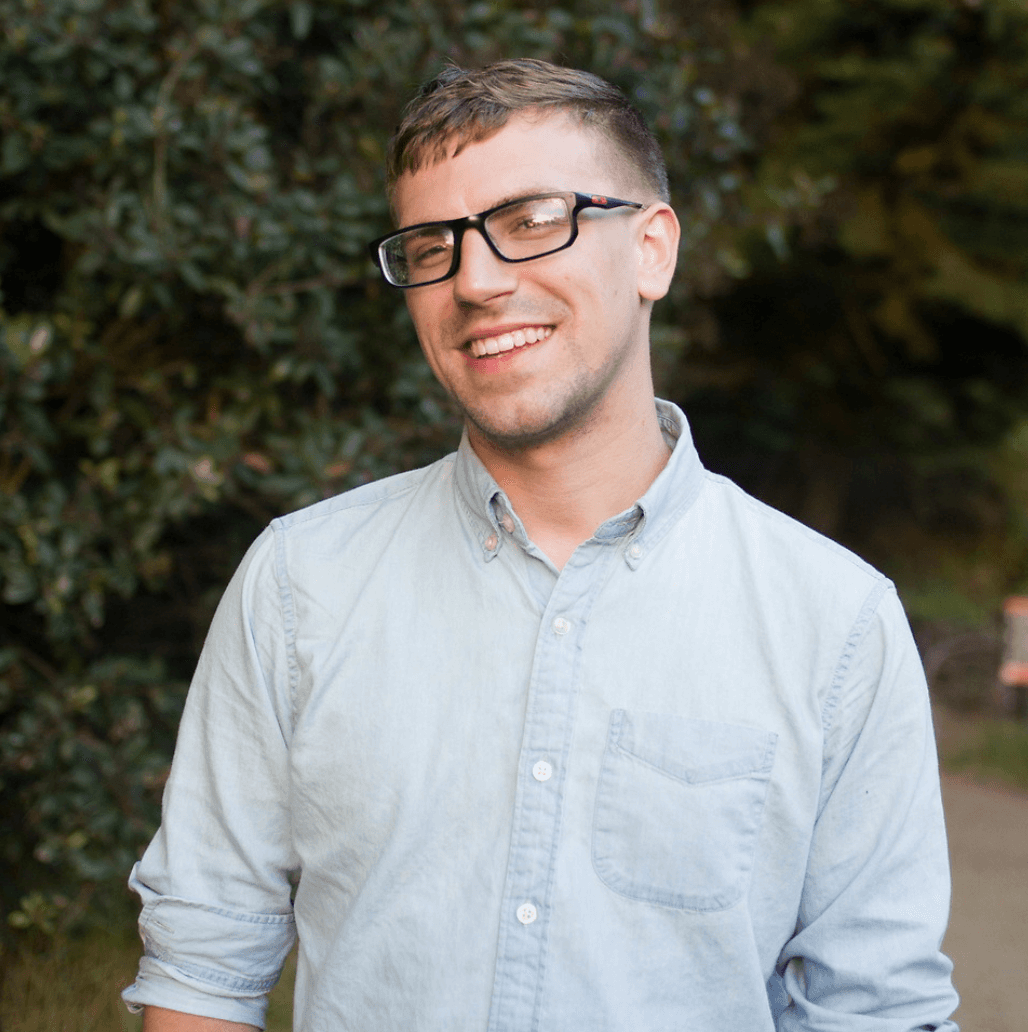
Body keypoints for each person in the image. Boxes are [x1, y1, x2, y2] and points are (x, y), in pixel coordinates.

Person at [122, 58, 960, 1031]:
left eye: (529, 222)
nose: (474, 281)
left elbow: (875, 1010)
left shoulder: (834, 620)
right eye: (431, 245)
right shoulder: (298, 583)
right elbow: (202, 969)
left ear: (651, 251)